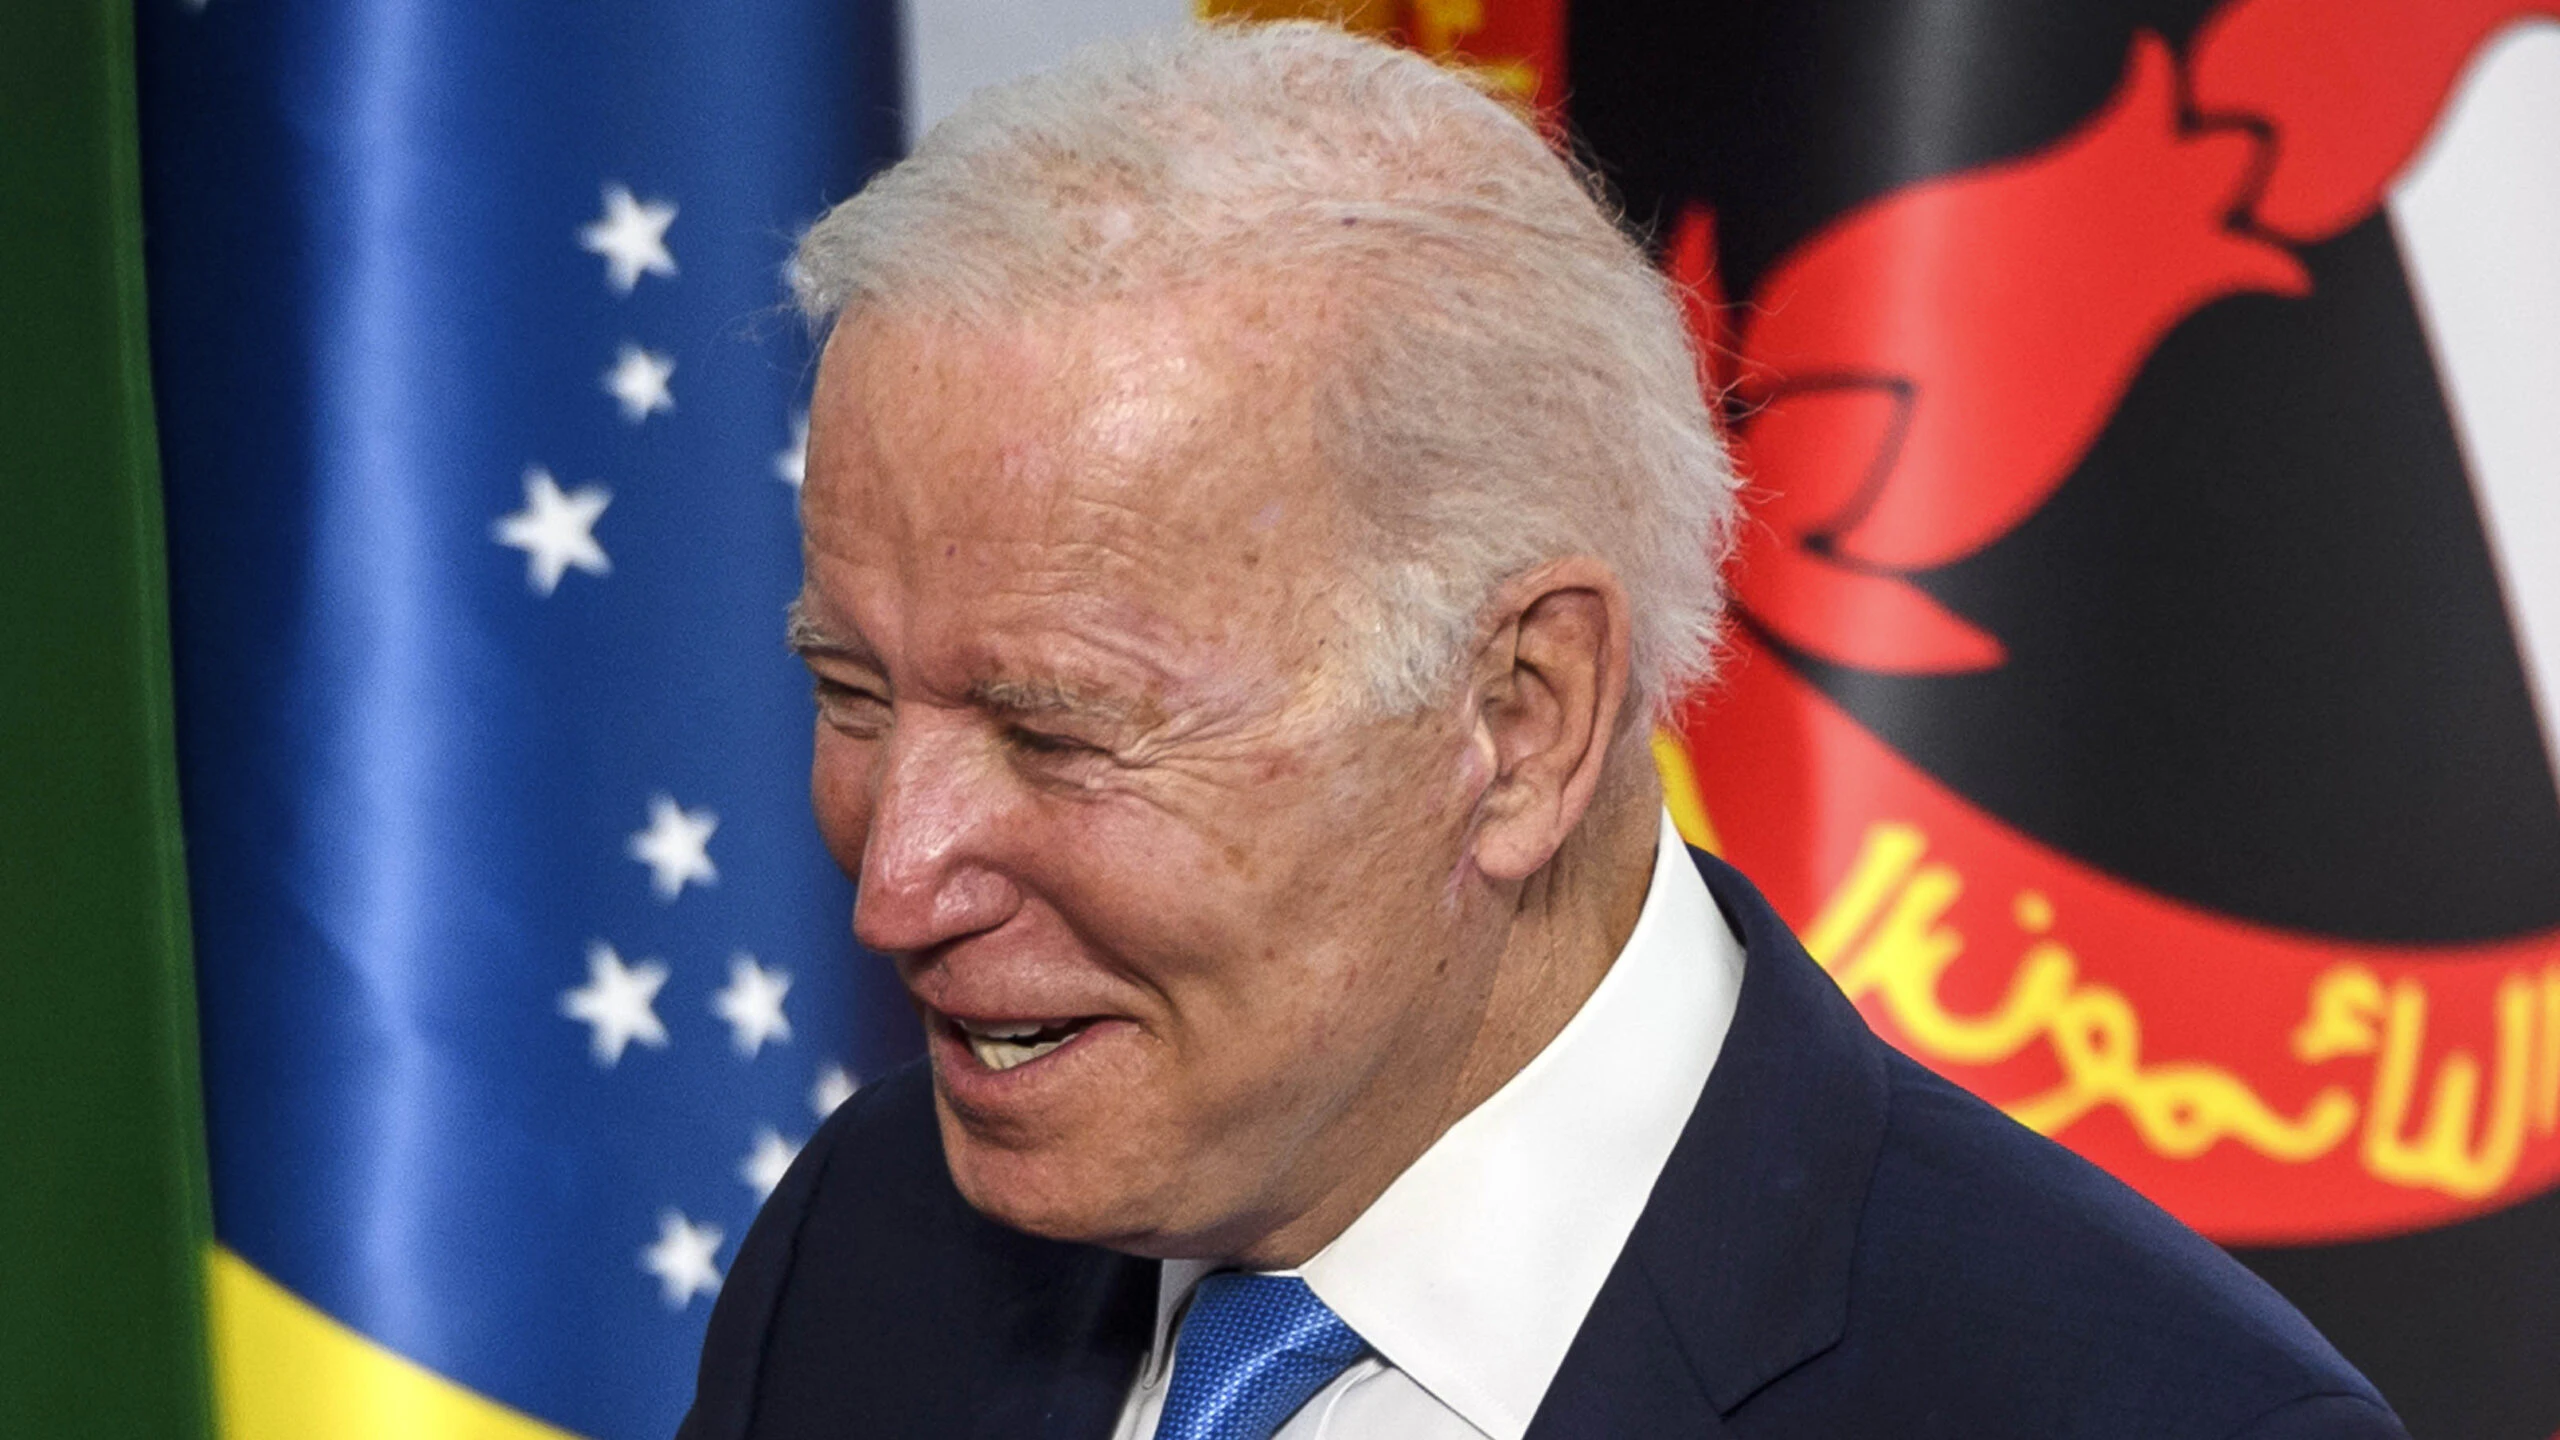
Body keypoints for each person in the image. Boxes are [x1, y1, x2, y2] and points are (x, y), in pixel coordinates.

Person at [679, 22, 2405, 1440]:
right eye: (851, 694)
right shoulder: (868, 1246)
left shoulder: (2141, 1414)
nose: (897, 883)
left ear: (1519, 718)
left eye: (1055, 737)